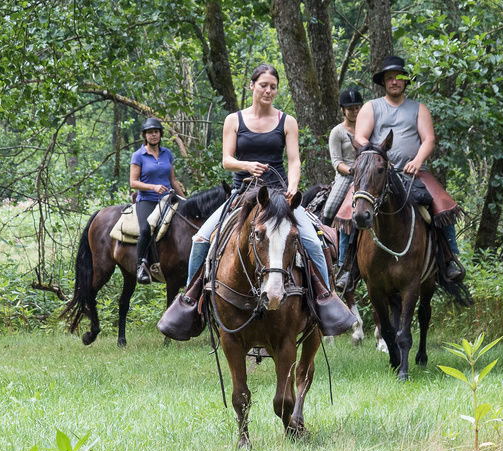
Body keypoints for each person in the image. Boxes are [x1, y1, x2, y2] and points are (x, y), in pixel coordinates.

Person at [158, 63, 357, 340]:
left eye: (273, 86)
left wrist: (293, 188)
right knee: (202, 239)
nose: (268, 90)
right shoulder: (234, 120)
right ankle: (194, 302)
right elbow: (227, 160)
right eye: (263, 85)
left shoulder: (286, 121)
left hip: (278, 197)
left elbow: (294, 160)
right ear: (252, 86)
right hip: (243, 195)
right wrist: (247, 165)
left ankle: (325, 298)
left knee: (312, 239)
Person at [349, 55, 465, 285]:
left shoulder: (418, 108)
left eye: (399, 78)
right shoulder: (371, 107)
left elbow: (429, 138)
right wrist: (379, 158)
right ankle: (348, 265)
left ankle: (449, 258)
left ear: (405, 82)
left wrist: (418, 160)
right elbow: (360, 137)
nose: (394, 82)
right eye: (390, 78)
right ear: (384, 82)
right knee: (348, 209)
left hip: (412, 172)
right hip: (376, 173)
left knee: (442, 204)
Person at [129, 117, 186, 284]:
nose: (153, 135)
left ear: (160, 134)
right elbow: (133, 182)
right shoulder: (138, 155)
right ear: (145, 135)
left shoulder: (167, 153)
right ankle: (141, 266)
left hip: (168, 199)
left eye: (156, 132)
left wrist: (184, 199)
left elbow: (173, 180)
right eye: (150, 133)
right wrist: (153, 187)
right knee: (146, 229)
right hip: (147, 200)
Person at [324, 88, 362, 267]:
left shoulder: (367, 127)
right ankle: (328, 244)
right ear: (343, 110)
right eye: (350, 109)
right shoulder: (337, 132)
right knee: (330, 209)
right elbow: (336, 161)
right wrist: (352, 170)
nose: (354, 112)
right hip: (346, 175)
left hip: (368, 173)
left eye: (357, 108)